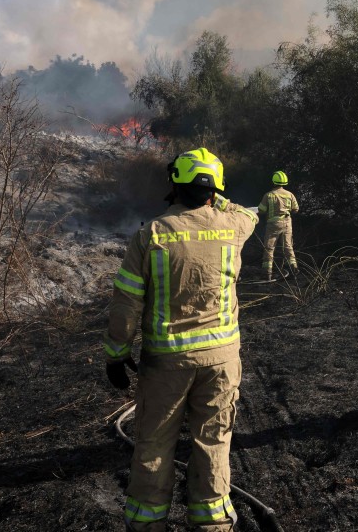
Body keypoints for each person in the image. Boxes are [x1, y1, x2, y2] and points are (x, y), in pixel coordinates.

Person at [104, 147, 258, 532]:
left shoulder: (152, 234)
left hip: (166, 365)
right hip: (221, 361)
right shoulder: (234, 226)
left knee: (155, 445)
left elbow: (126, 301)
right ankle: (211, 525)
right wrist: (216, 194)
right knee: (213, 442)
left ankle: (146, 523)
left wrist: (116, 353)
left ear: (175, 183)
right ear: (215, 188)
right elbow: (243, 211)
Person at [258, 170, 299, 281]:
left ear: (273, 182)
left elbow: (261, 210)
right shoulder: (290, 194)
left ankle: (267, 274)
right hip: (287, 223)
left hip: (273, 225)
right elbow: (296, 209)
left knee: (269, 248)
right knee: (288, 246)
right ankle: (294, 270)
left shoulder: (269, 195)